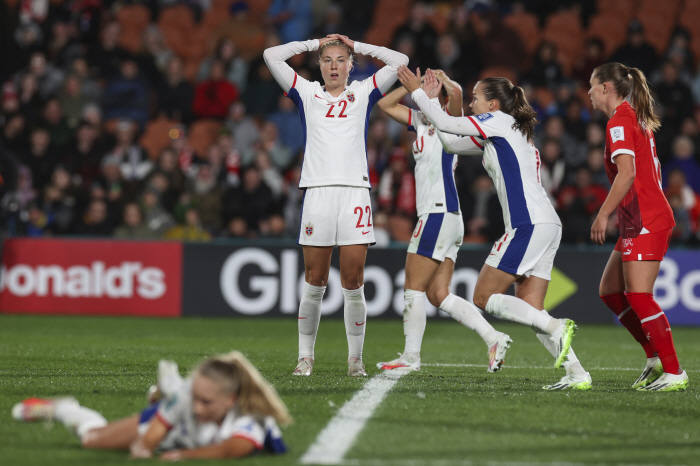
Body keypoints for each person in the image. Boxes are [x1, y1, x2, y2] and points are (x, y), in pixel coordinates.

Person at [397, 67, 590, 390]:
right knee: (530, 307)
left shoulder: (498, 123)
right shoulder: (505, 131)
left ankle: (556, 326)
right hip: (545, 223)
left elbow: (445, 123)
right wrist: (438, 99)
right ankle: (576, 372)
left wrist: (418, 93)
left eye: (476, 99)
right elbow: (452, 143)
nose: (471, 104)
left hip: (527, 223)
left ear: (493, 106)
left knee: (484, 296)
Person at [264, 34, 408, 377]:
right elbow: (271, 55)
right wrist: (314, 41)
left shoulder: (362, 93)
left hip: (355, 193)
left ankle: (355, 360)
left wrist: (356, 44)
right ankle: (305, 357)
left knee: (353, 279)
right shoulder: (306, 92)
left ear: (350, 65)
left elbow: (400, 60)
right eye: (327, 59)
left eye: (341, 59)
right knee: (314, 280)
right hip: (317, 192)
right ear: (319, 64)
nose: (333, 66)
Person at [374, 70, 512, 373]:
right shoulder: (420, 121)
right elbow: (383, 106)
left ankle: (410, 357)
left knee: (412, 286)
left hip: (438, 213)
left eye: (433, 88)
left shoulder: (447, 120)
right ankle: (493, 337)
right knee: (438, 294)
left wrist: (444, 83)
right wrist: (409, 87)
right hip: (446, 217)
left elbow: (458, 96)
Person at [588, 63, 688, 391]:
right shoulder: (632, 117)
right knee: (611, 292)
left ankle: (674, 370)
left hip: (647, 219)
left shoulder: (619, 121)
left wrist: (603, 214)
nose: (588, 92)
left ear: (605, 88)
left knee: (639, 295)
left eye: (592, 86)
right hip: (636, 219)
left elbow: (627, 174)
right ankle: (654, 357)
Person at [12, 351, 291, 460]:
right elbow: (151, 438)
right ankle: (64, 408)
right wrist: (143, 448)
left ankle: (166, 386)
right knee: (90, 439)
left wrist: (183, 456)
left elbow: (232, 449)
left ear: (230, 399)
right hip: (177, 427)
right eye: (196, 398)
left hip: (189, 438)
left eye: (206, 402)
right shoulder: (188, 401)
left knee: (178, 399)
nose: (198, 407)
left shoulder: (252, 414)